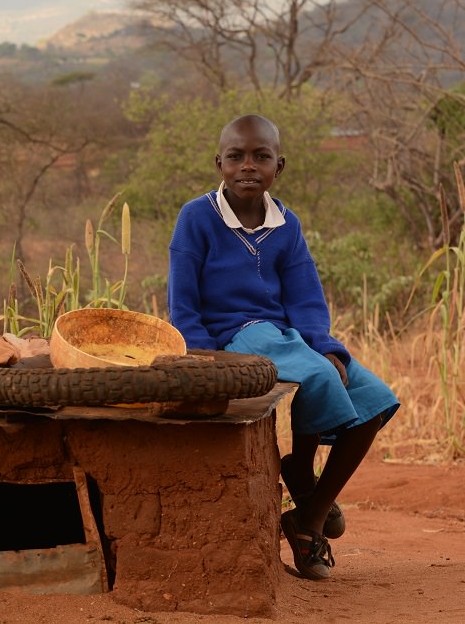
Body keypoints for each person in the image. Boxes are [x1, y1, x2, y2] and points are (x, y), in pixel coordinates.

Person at [166, 114, 399, 580]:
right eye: (236, 156)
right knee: (317, 374)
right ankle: (307, 496)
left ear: (280, 166)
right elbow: (183, 300)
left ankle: (307, 507)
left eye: (261, 156)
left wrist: (325, 344)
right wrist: (204, 355)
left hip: (284, 334)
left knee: (373, 399)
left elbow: (306, 296)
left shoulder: (286, 224)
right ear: (219, 163)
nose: (247, 166)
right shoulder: (197, 217)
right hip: (235, 335)